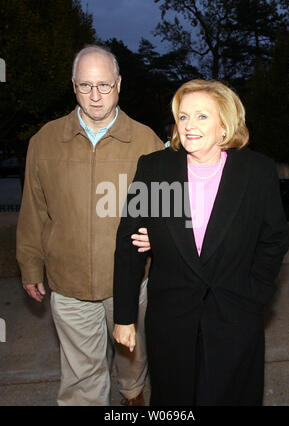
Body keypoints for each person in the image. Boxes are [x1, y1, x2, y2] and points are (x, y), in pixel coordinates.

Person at [113, 79, 289, 406]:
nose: (189, 125)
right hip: (171, 321)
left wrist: (257, 293)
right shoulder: (154, 169)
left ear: (225, 125)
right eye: (183, 117)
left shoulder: (256, 171)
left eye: (201, 117)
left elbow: (274, 238)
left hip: (236, 317)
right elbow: (128, 244)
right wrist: (125, 316)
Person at [16, 45, 164, 406]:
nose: (95, 95)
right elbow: (34, 208)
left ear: (119, 84)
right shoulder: (45, 141)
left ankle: (133, 396)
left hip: (131, 283)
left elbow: (168, 210)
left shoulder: (147, 141)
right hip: (69, 283)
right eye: (85, 86)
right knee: (82, 378)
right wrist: (30, 263)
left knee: (134, 363)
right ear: (73, 85)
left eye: (104, 85)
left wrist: (158, 237)